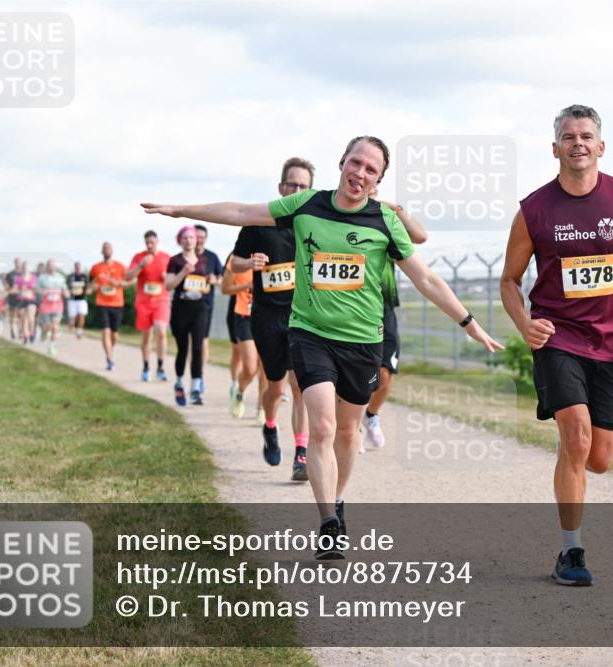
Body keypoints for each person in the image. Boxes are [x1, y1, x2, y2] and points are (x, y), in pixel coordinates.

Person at [142, 136, 502, 558]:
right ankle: (328, 520)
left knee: (348, 433)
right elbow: (242, 212)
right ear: (342, 163)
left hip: (363, 340)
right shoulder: (307, 204)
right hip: (309, 332)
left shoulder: (384, 220)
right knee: (324, 428)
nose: (360, 173)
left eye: (371, 169)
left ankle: (339, 498)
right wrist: (180, 210)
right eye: (356, 163)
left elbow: (426, 278)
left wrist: (469, 322)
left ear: (379, 180)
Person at [500, 104, 613, 587]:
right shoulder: (534, 209)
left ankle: (575, 463)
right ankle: (571, 553)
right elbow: (509, 280)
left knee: (599, 457)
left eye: (586, 135)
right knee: (576, 435)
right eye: (568, 136)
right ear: (555, 149)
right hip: (557, 337)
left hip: (611, 342)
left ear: (600, 146)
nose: (578, 143)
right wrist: (524, 323)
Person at [229, 157, 316, 481]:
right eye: (291, 184)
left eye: (303, 186)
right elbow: (234, 263)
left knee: (300, 386)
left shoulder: (310, 223)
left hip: (302, 315)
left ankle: (301, 455)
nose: (296, 190)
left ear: (310, 190)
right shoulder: (257, 222)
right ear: (281, 187)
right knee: (276, 386)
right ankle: (269, 425)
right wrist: (249, 262)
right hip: (266, 316)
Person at [361, 185, 429, 451]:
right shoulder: (342, 215)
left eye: (373, 185)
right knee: (353, 373)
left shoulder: (385, 219)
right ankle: (349, 424)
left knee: (386, 372)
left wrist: (397, 210)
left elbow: (420, 236)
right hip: (351, 305)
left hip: (383, 304)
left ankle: (369, 416)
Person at [166, 225, 216, 406]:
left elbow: (212, 279)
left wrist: (213, 280)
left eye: (191, 238)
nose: (188, 241)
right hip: (181, 308)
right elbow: (168, 285)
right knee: (182, 349)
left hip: (199, 308)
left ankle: (195, 387)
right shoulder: (175, 260)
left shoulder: (204, 260)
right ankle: (179, 383)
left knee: (197, 348)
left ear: (196, 240)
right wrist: (183, 272)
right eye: (185, 238)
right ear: (180, 240)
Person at [127, 231, 171, 381]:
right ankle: (146, 366)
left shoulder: (166, 258)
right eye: (147, 243)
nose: (150, 245)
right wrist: (141, 265)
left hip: (161, 301)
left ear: (157, 241)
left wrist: (167, 278)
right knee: (147, 337)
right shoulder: (139, 257)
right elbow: (128, 276)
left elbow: (173, 278)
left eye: (152, 242)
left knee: (161, 331)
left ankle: (160, 367)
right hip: (144, 302)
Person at [222, 254, 260, 419]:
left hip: (268, 315)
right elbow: (225, 289)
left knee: (266, 369)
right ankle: (239, 392)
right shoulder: (237, 258)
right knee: (250, 368)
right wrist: (247, 285)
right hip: (244, 315)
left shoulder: (276, 251)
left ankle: (262, 408)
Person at [193, 224, 223, 394]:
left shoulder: (212, 257)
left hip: (205, 305)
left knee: (202, 342)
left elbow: (223, 278)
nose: (199, 240)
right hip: (186, 306)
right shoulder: (185, 258)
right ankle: (194, 374)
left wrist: (215, 280)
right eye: (197, 236)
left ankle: (200, 374)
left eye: (202, 237)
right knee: (191, 343)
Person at [88, 242, 127, 371]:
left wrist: (119, 283)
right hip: (102, 303)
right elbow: (90, 285)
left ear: (112, 251)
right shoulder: (95, 268)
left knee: (115, 335)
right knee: (105, 332)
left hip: (117, 303)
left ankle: (110, 348)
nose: (106, 250)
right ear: (101, 251)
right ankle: (110, 359)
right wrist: (92, 288)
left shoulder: (120, 267)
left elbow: (131, 280)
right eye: (104, 248)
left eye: (108, 248)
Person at [37, 259, 69, 356]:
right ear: (47, 267)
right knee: (47, 326)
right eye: (49, 265)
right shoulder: (42, 277)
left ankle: (51, 346)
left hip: (57, 305)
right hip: (46, 305)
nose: (51, 267)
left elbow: (64, 288)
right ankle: (44, 331)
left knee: (55, 326)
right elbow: (36, 288)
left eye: (53, 265)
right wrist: (41, 291)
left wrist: (67, 293)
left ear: (55, 266)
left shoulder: (61, 277)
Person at [14, 262, 38, 343]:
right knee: (24, 319)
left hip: (31, 299)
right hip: (21, 299)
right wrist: (20, 290)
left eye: (26, 267)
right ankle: (25, 335)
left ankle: (32, 332)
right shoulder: (18, 278)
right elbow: (15, 288)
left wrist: (31, 289)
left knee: (31, 317)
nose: (25, 269)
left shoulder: (34, 278)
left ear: (29, 268)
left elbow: (37, 289)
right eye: (23, 267)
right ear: (22, 268)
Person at [66, 261, 89, 339]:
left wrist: (88, 291)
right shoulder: (70, 277)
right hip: (72, 300)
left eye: (79, 266)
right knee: (72, 318)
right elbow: (66, 287)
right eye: (76, 266)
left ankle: (79, 331)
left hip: (82, 299)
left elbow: (88, 287)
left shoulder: (84, 276)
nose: (78, 268)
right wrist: (68, 292)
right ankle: (71, 326)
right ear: (74, 267)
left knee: (81, 315)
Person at [5, 258, 22, 339]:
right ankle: (12, 330)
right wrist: (8, 290)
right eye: (16, 262)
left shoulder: (23, 273)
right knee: (13, 314)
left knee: (20, 314)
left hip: (21, 296)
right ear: (14, 263)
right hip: (12, 297)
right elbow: (6, 285)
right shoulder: (10, 274)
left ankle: (20, 330)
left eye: (19, 262)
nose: (17, 264)